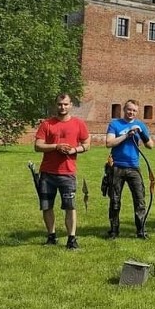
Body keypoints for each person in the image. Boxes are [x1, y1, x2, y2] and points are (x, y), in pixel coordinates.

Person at [34, 93, 91, 250]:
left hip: (68, 172)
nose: (62, 107)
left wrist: (74, 150)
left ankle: (71, 239)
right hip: (47, 172)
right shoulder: (47, 124)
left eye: (65, 104)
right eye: (60, 104)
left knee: (70, 206)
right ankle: (51, 236)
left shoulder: (78, 124)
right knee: (46, 206)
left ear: (71, 105)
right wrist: (56, 146)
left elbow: (87, 144)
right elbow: (38, 145)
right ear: (55, 105)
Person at [104, 99, 154, 239]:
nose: (131, 112)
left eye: (134, 110)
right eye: (129, 109)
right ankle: (114, 230)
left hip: (134, 167)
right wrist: (126, 135)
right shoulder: (115, 124)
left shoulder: (140, 125)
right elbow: (109, 143)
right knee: (114, 200)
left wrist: (141, 133)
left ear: (137, 112)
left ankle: (140, 230)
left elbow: (150, 145)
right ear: (124, 110)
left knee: (139, 200)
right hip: (117, 167)